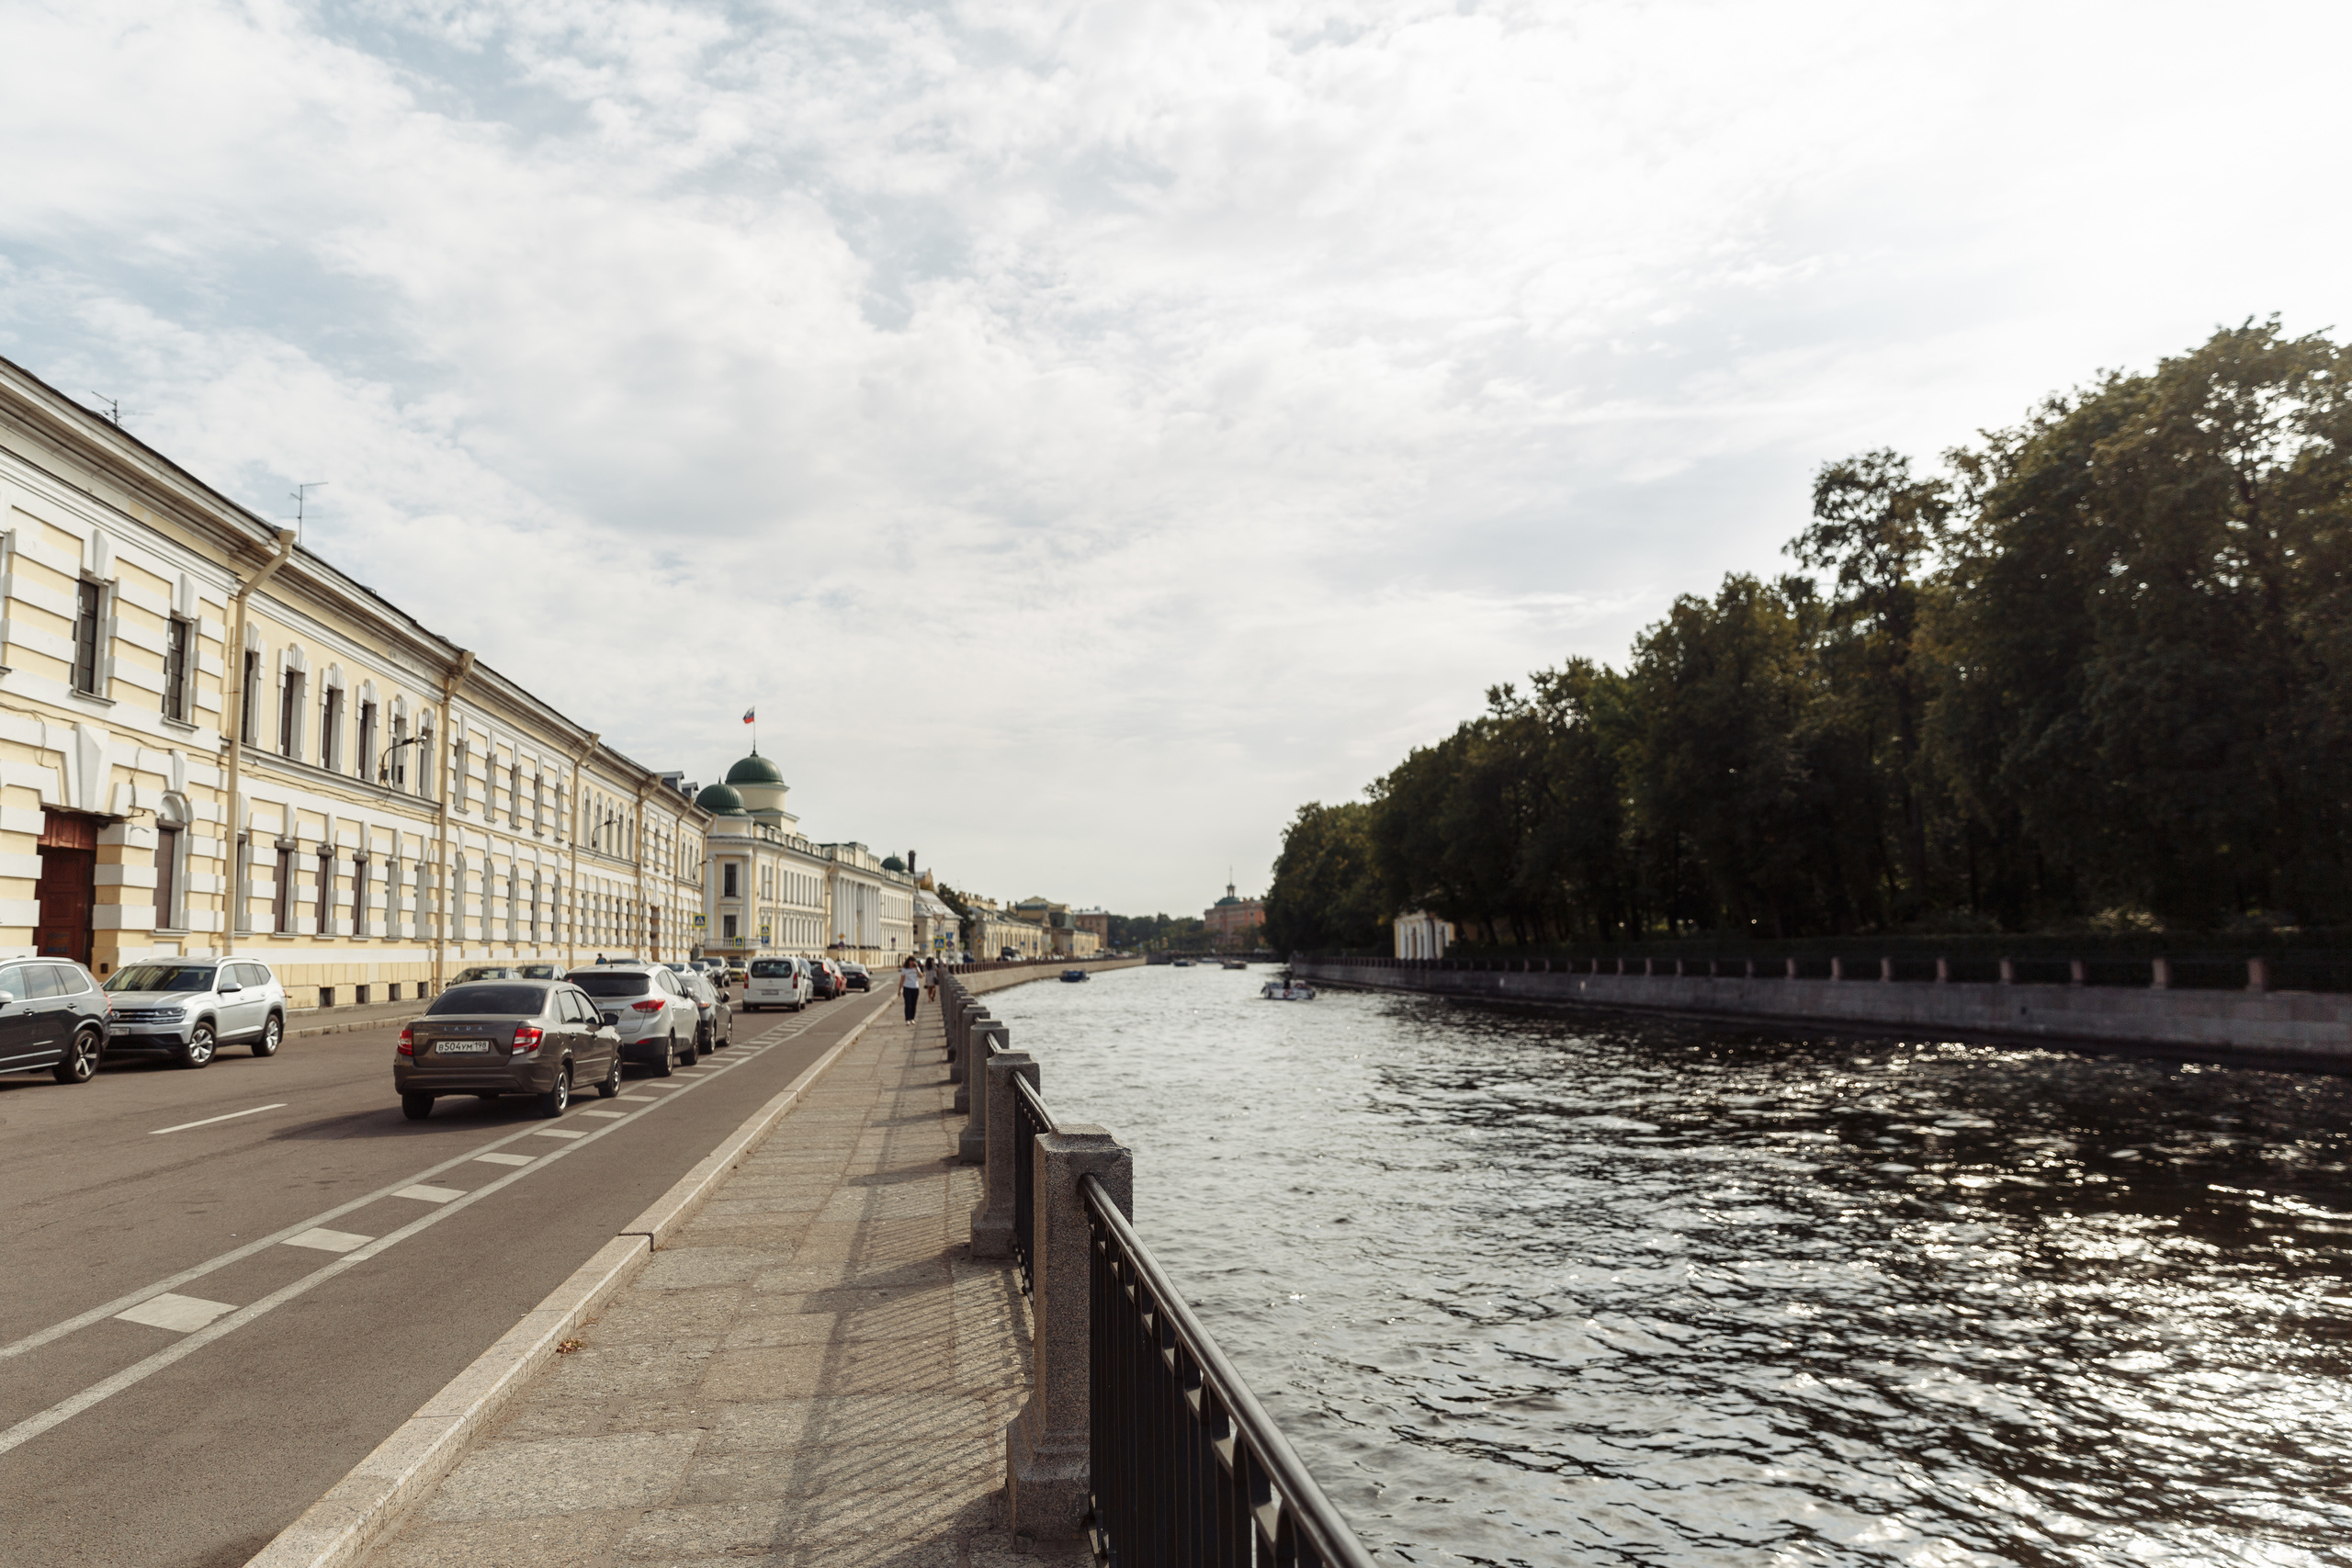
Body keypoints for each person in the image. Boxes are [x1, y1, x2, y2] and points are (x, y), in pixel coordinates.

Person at [899, 953, 922, 1021]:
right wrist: (899, 990)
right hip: (907, 987)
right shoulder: (905, 969)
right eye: (911, 961)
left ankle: (912, 1018)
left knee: (914, 1004)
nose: (912, 962)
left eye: (913, 961)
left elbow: (921, 976)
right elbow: (902, 980)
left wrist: (916, 968)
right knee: (908, 1003)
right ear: (908, 961)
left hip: (915, 987)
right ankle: (907, 1019)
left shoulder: (916, 968)